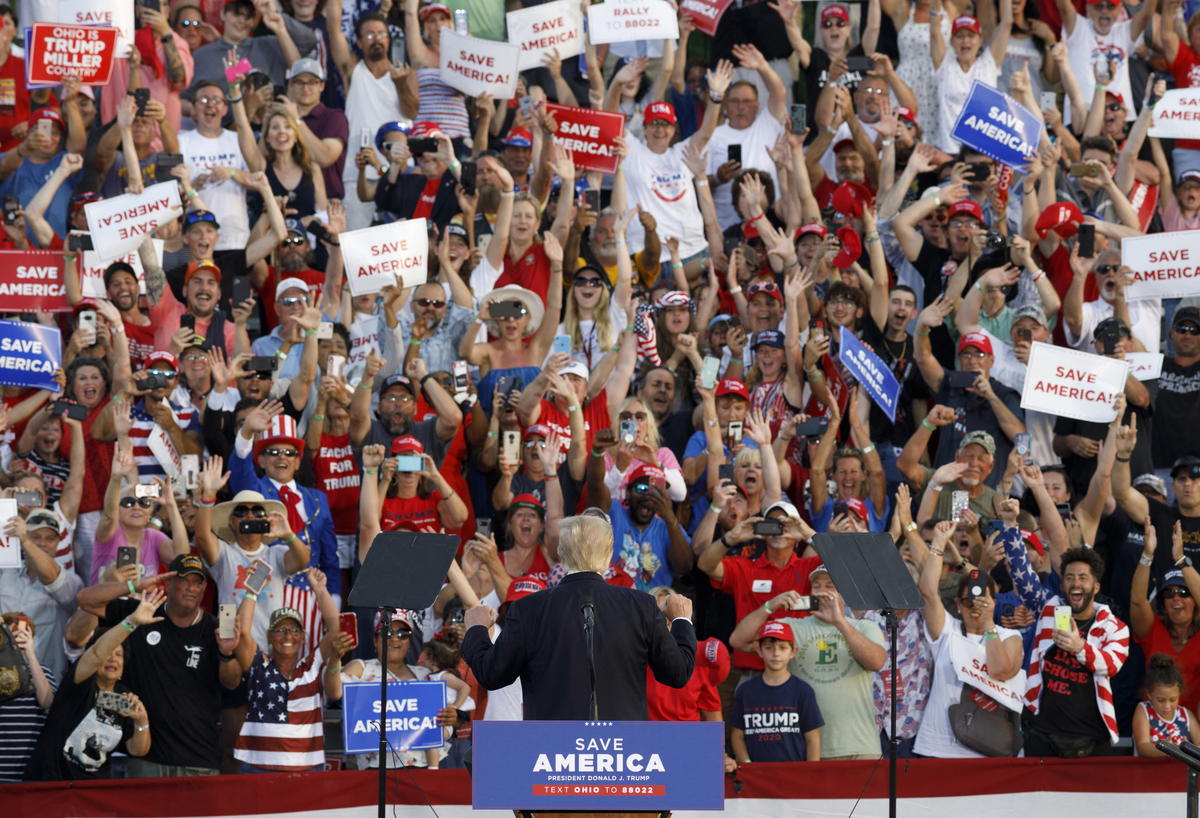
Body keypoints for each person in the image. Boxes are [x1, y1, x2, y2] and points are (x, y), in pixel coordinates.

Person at [461, 515, 697, 720]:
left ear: (561, 556)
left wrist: (477, 630)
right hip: (624, 754)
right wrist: (682, 621)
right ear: (609, 555)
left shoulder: (527, 609)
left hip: (551, 756)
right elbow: (677, 673)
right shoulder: (641, 605)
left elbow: (491, 674)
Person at [74, 554, 242, 777]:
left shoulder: (217, 629)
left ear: (204, 588)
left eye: (197, 582)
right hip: (146, 757)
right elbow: (85, 599)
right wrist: (134, 585)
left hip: (198, 758)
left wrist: (227, 654)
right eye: (183, 581)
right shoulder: (142, 614)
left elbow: (231, 683)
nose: (191, 588)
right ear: (168, 583)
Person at [999, 502, 1130, 757]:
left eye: (1083, 577)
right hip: (1040, 734)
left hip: (1091, 740)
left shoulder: (1114, 626)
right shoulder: (1047, 608)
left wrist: (1079, 647)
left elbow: (1110, 665)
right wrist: (1009, 525)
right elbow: (1022, 575)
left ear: (1096, 586)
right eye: (1069, 577)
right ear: (1062, 586)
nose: (1075, 582)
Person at [730, 570, 888, 760]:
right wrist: (771, 606)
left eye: (830, 586)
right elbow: (738, 641)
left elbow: (877, 662)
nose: (821, 592)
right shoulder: (792, 627)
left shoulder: (863, 627)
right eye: (816, 586)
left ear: (844, 594)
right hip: (807, 750)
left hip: (859, 746)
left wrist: (839, 622)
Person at [24, 589, 163, 781]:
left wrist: (141, 722)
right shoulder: (80, 682)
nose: (112, 659)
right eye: (109, 653)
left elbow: (136, 750)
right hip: (52, 784)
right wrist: (132, 621)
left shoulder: (124, 696)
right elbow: (97, 652)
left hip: (92, 793)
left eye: (119, 654)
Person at [913, 521, 1024, 757]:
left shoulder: (1010, 636)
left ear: (994, 602)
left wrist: (989, 624)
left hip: (987, 751)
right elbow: (927, 592)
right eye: (968, 602)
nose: (975, 607)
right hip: (937, 748)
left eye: (983, 601)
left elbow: (999, 670)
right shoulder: (947, 630)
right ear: (957, 604)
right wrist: (939, 543)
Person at [231, 568, 351, 773]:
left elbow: (337, 629)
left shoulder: (312, 666)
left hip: (307, 769)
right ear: (270, 637)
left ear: (303, 637)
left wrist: (320, 590)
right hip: (258, 769)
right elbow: (242, 633)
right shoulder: (260, 665)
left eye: (294, 630)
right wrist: (251, 591)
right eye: (280, 630)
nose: (288, 635)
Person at [0, 511, 84, 684]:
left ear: (58, 543)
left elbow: (50, 576)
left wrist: (25, 542)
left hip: (43, 684)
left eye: (50, 538)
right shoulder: (5, 572)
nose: (42, 544)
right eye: (35, 536)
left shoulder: (71, 582)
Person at [1131, 519, 1200, 715]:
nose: (1176, 597)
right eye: (1169, 594)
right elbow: (1137, 602)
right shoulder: (1153, 630)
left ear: (1195, 601)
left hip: (1194, 733)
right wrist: (1147, 555)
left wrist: (1180, 559)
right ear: (1163, 605)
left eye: (1184, 593)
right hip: (1153, 730)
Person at [730, 620, 823, 762]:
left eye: (783, 648)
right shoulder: (746, 691)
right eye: (769, 647)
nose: (776, 653)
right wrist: (748, 766)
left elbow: (812, 739)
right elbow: (737, 736)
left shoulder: (803, 691)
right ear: (759, 650)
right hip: (757, 777)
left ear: (793, 652)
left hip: (794, 775)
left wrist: (810, 774)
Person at [1133, 654, 1200, 756]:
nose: (1167, 706)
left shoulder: (1186, 714)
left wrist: (1189, 750)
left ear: (1179, 694)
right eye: (1160, 700)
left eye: (1172, 700)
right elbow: (1142, 746)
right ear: (1149, 694)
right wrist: (1167, 750)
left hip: (1180, 771)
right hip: (1149, 771)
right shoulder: (1143, 710)